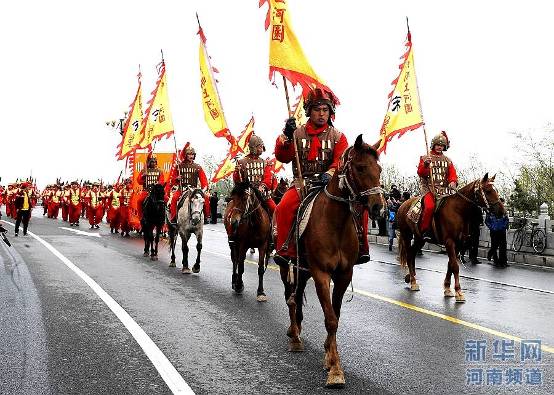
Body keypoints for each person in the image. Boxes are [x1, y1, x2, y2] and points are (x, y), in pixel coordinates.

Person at [273, 88, 370, 266]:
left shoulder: (339, 137)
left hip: (330, 184)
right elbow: (282, 157)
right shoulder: (296, 132)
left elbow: (340, 160)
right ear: (309, 111)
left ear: (330, 112)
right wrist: (286, 136)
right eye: (317, 110)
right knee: (283, 207)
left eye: (325, 110)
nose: (321, 114)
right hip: (302, 183)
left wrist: (329, 173)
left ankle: (361, 248)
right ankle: (286, 249)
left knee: (360, 206)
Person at [417, 131, 458, 240]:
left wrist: (453, 181)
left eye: (442, 145)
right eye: (438, 145)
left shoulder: (448, 160)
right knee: (430, 206)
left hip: (444, 189)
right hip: (428, 189)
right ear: (433, 145)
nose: (439, 147)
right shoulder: (425, 157)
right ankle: (425, 230)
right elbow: (421, 173)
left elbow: (452, 174)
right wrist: (426, 164)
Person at [233, 134, 277, 216]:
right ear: (253, 147)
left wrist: (263, 186)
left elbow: (268, 178)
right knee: (235, 210)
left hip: (262, 193)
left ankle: (275, 228)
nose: (261, 149)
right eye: (259, 147)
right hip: (246, 193)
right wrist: (236, 172)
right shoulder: (241, 162)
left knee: (275, 210)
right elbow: (238, 181)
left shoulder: (265, 163)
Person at [168, 145, 209, 224]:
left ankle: (207, 216)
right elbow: (172, 181)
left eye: (192, 154)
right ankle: (173, 218)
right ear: (185, 155)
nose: (191, 156)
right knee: (174, 199)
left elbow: (204, 181)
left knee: (206, 198)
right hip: (182, 189)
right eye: (189, 154)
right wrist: (177, 179)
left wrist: (203, 190)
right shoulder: (179, 166)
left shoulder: (198, 167)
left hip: (194, 190)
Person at [137, 153, 165, 220]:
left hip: (156, 191)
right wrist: (143, 176)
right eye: (152, 162)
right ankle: (141, 217)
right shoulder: (144, 171)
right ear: (149, 162)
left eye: (155, 162)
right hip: (147, 191)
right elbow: (139, 181)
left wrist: (157, 184)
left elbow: (162, 181)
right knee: (139, 201)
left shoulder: (159, 171)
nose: (154, 163)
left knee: (165, 200)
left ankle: (164, 217)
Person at [485, 198, 509, 267]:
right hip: (494, 231)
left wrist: (503, 227)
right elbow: (487, 221)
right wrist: (492, 227)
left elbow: (506, 220)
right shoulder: (491, 211)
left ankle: (503, 262)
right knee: (494, 246)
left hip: (502, 231)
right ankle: (495, 260)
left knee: (503, 247)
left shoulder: (504, 211)